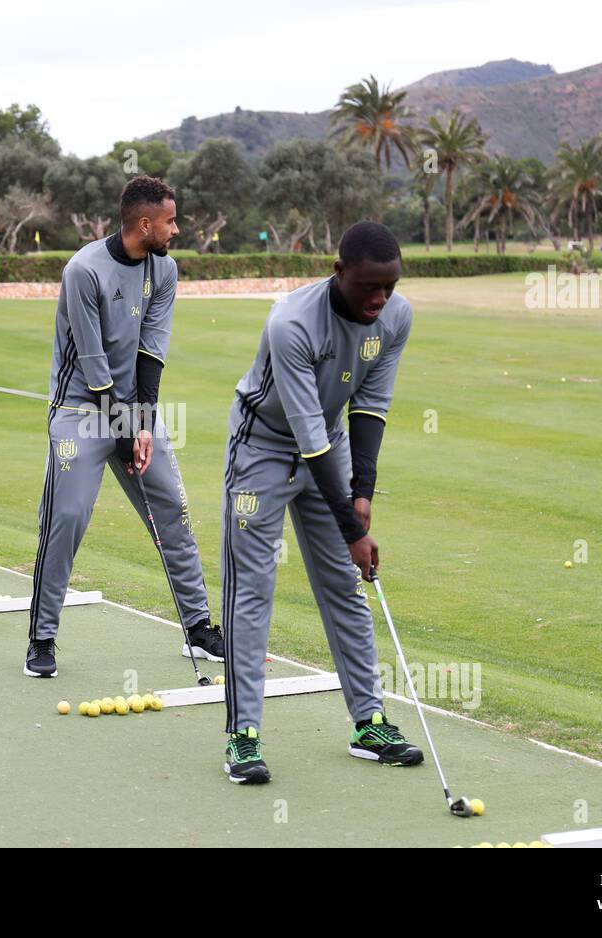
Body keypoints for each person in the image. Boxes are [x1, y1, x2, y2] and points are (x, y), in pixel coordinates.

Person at [220, 221, 420, 784]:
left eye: (390, 286)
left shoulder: (396, 316)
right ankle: (242, 735)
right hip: (262, 449)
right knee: (252, 589)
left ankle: (369, 722)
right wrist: (354, 529)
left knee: (344, 587)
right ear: (338, 273)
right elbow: (308, 435)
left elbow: (371, 407)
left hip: (329, 452)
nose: (379, 299)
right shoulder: (292, 323)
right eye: (367, 288)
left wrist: (362, 496)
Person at [24, 176, 222, 679]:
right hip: (79, 411)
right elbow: (93, 366)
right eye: (171, 221)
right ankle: (42, 636)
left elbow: (150, 353)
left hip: (133, 412)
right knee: (67, 517)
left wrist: (144, 426)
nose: (176, 230)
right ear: (144, 223)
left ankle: (198, 625)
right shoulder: (83, 270)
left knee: (173, 508)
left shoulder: (165, 269)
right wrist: (122, 428)